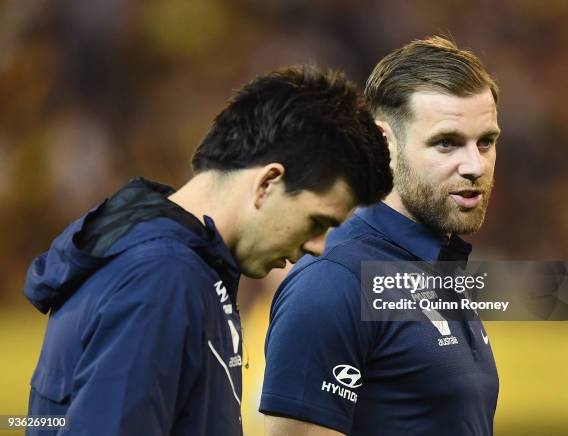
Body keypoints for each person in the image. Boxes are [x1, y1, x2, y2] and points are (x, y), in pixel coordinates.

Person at [24, 66, 393, 436]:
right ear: (268, 182)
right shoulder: (161, 277)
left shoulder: (183, 265)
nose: (317, 247)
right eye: (317, 223)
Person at [260, 37, 501, 435]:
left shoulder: (439, 267)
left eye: (486, 142)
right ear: (383, 143)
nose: (475, 165)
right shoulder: (335, 281)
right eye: (447, 143)